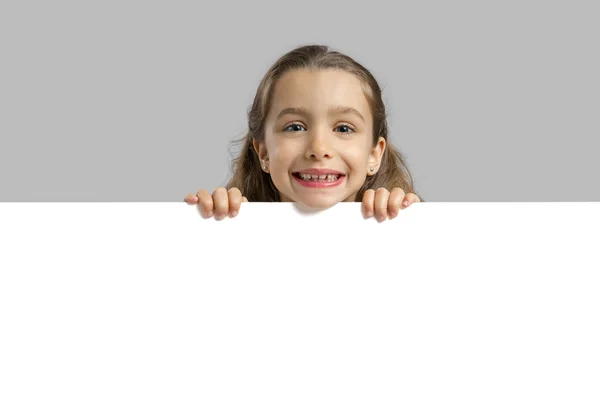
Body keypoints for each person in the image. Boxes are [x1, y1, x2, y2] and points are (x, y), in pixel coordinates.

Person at [184, 44, 424, 222]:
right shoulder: (225, 223)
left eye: (343, 128)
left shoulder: (404, 222)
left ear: (374, 155)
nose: (319, 149)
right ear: (264, 152)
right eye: (295, 127)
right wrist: (204, 226)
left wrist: (415, 226)